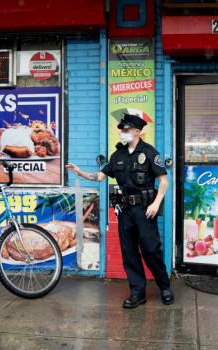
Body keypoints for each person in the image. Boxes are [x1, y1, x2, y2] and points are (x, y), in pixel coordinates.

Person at [66, 113, 174, 308]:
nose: (122, 133)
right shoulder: (118, 155)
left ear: (137, 131)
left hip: (145, 209)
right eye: (121, 130)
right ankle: (137, 292)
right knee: (129, 252)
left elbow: (164, 181)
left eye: (126, 130)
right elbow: (100, 177)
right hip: (124, 208)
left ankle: (164, 286)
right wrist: (80, 172)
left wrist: (156, 203)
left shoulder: (150, 153)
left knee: (151, 250)